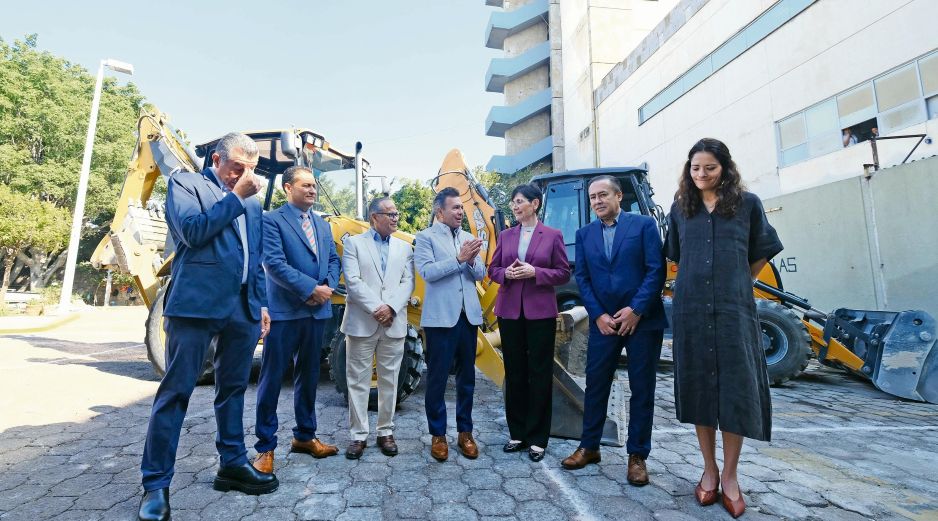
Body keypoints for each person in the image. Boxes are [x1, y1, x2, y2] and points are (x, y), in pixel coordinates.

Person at [138, 133, 275, 521]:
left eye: (250, 170)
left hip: (242, 309)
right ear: (217, 159)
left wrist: (261, 303)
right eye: (237, 168)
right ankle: (156, 485)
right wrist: (235, 198)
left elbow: (255, 257)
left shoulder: (252, 202)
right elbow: (193, 232)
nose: (243, 176)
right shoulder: (186, 184)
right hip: (196, 305)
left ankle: (231, 464)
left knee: (233, 389)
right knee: (176, 392)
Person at [664, 138, 783, 518]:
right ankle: (709, 471)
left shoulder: (748, 204)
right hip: (691, 310)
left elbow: (763, 249)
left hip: (734, 310)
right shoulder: (681, 208)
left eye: (710, 168)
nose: (701, 174)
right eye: (695, 168)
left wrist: (742, 279)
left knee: (736, 390)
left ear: (725, 168)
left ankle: (730, 477)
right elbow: (677, 256)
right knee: (699, 389)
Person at [561, 175, 667, 489]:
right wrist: (598, 315)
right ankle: (589, 447)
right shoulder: (584, 234)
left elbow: (656, 270)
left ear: (618, 196)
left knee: (642, 389)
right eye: (593, 197)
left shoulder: (643, 225)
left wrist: (636, 310)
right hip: (604, 323)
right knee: (596, 385)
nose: (597, 201)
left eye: (603, 195)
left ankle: (637, 456)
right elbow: (583, 278)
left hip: (642, 321)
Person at [252, 165, 341, 475]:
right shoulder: (272, 220)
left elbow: (333, 259)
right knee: (272, 378)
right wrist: (310, 289)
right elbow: (274, 263)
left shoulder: (322, 224)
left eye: (314, 185)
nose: (312, 190)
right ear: (288, 188)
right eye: (305, 185)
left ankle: (305, 435)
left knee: (309, 375)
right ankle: (265, 447)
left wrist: (327, 287)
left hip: (316, 312)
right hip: (285, 313)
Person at [487, 184, 570, 462]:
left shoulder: (553, 235)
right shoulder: (506, 235)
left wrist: (536, 272)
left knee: (540, 373)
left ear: (535, 204)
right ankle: (517, 433)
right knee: (514, 372)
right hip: (509, 311)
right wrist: (506, 275)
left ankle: (537, 438)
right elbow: (493, 269)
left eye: (520, 201)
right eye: (513, 202)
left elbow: (563, 273)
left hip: (540, 312)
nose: (515, 206)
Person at [340, 197, 415, 459]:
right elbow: (352, 281)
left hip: (393, 322)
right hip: (362, 322)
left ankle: (385, 431)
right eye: (390, 214)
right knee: (357, 381)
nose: (396, 218)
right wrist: (377, 308)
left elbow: (408, 282)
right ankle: (358, 435)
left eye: (396, 213)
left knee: (390, 381)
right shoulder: (353, 244)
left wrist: (391, 308)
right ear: (374, 217)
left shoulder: (405, 248)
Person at [414, 187, 485, 462]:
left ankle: (465, 433)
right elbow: (428, 272)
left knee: (467, 379)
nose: (460, 212)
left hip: (468, 317)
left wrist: (472, 261)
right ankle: (438, 435)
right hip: (440, 319)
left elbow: (480, 274)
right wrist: (459, 259)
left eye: (461, 207)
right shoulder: (425, 237)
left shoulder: (468, 238)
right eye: (455, 207)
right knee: (438, 379)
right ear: (439, 211)